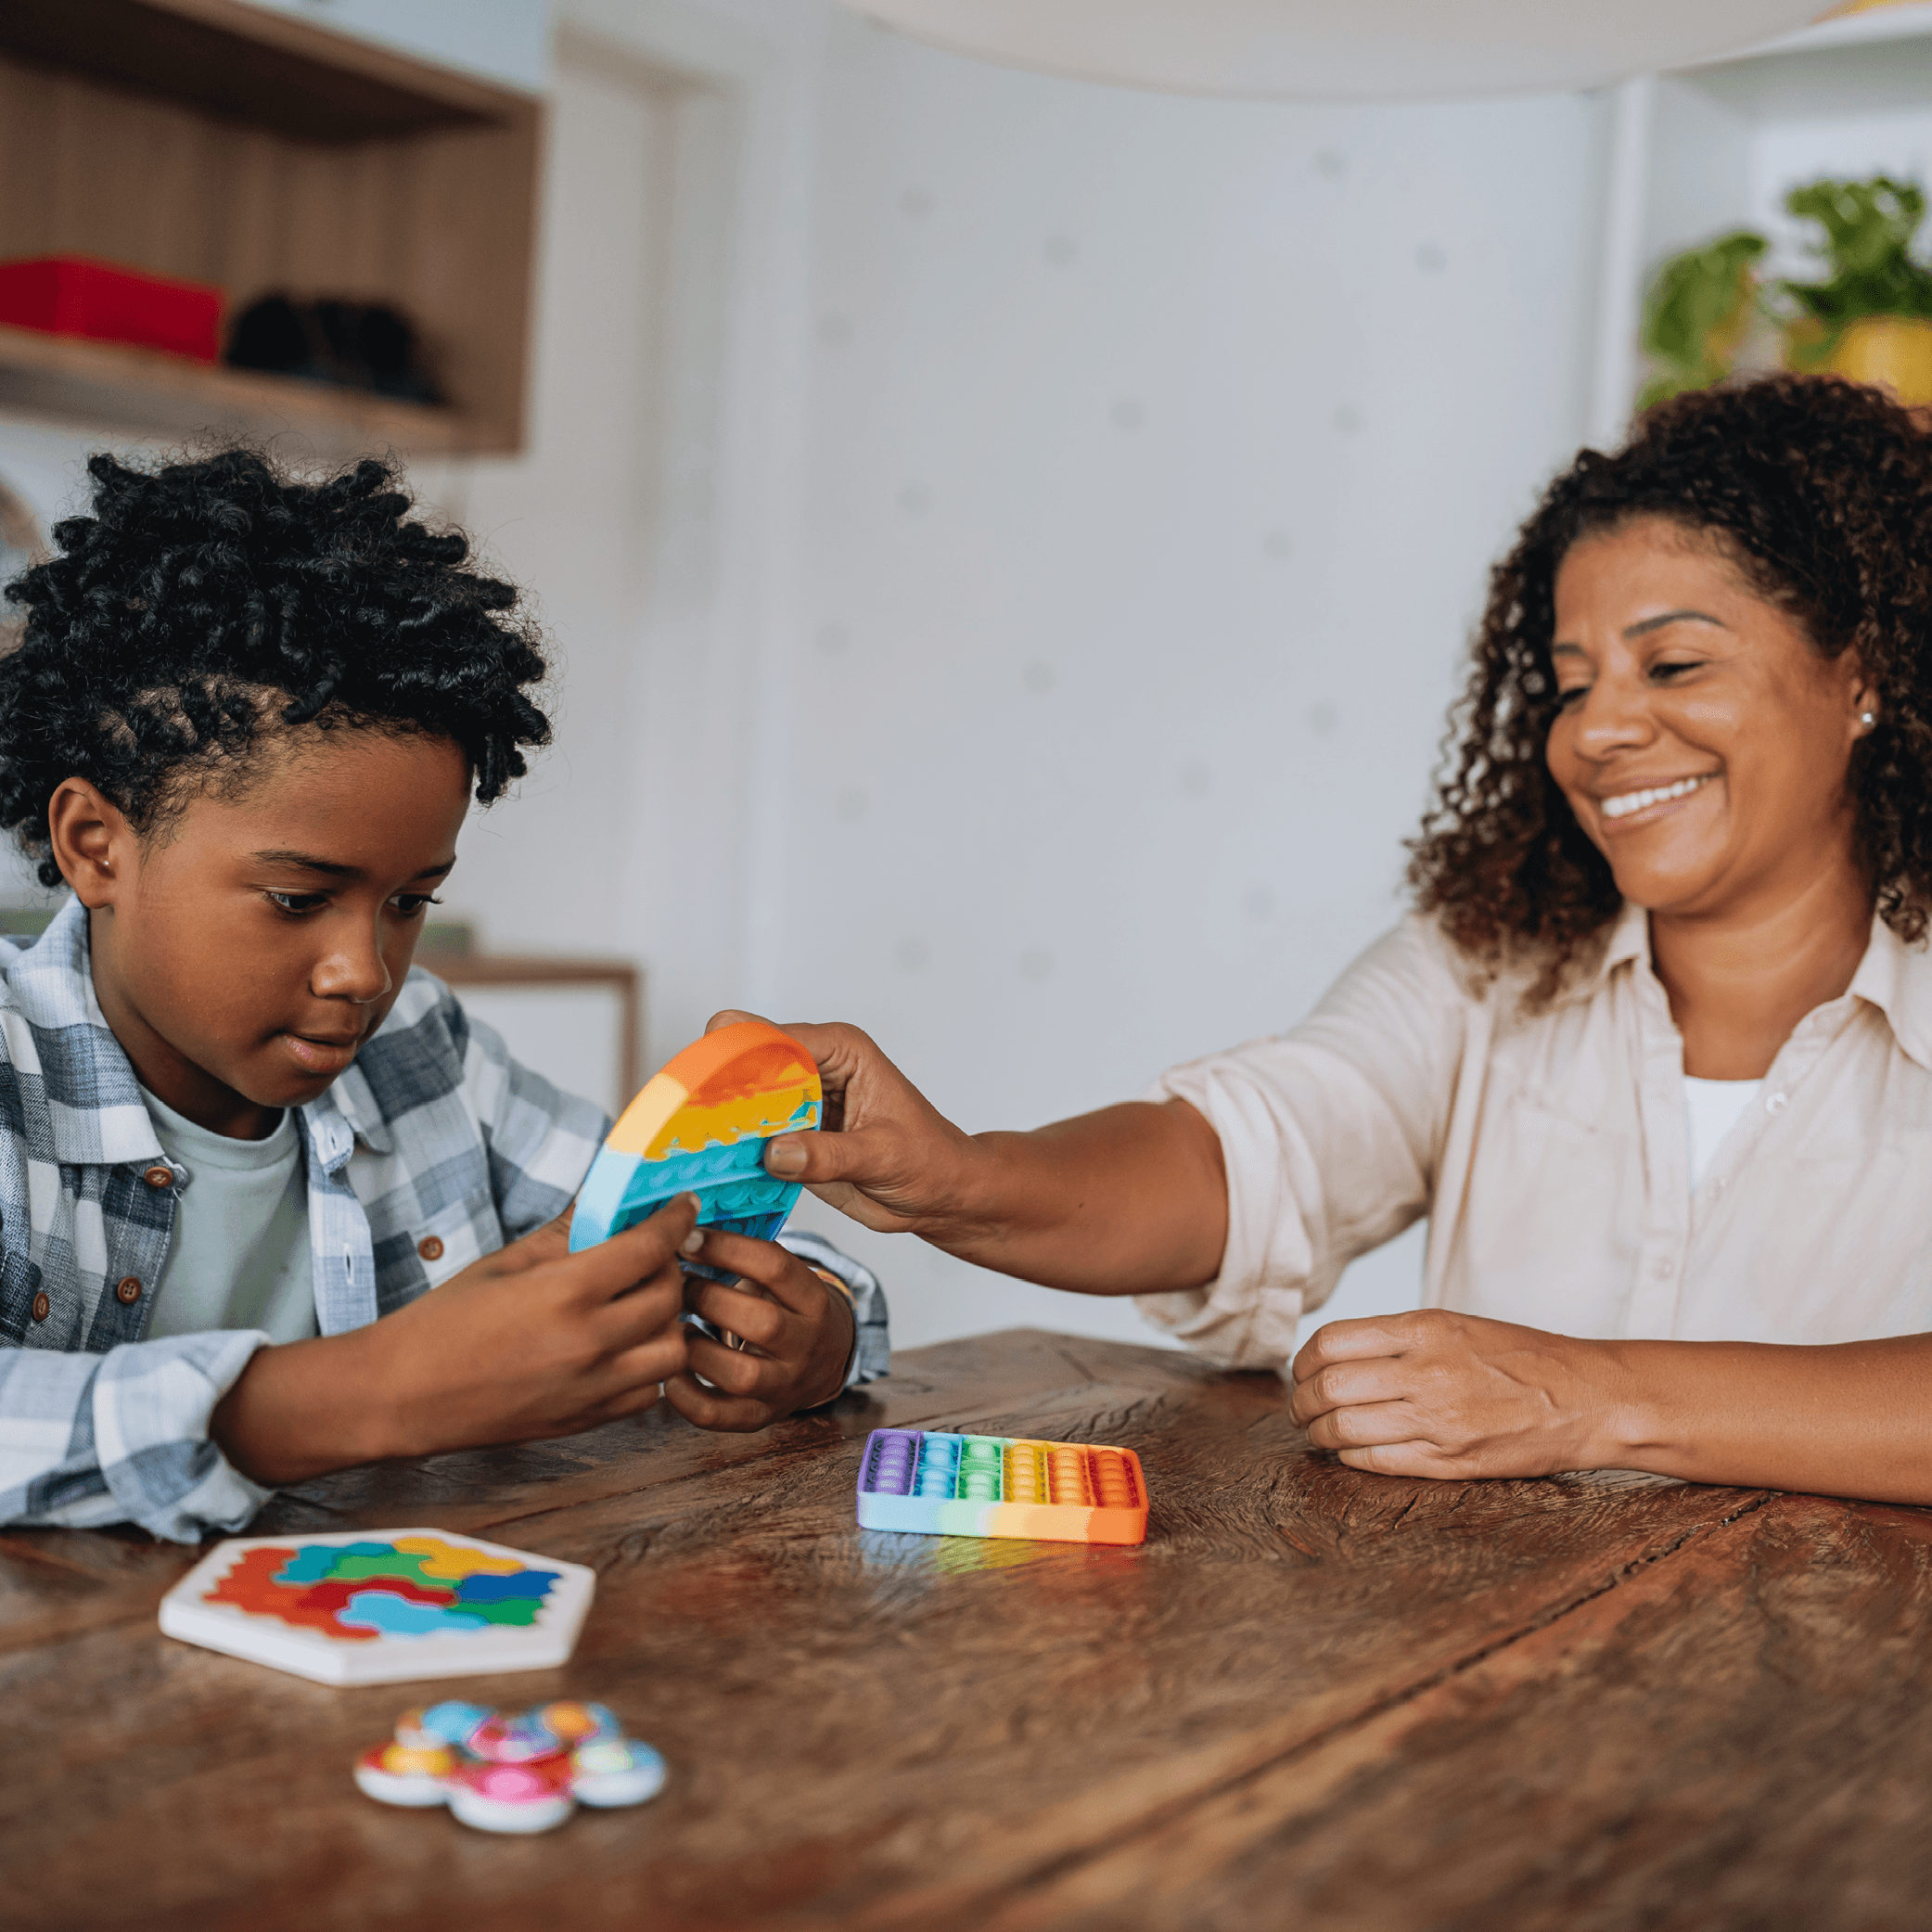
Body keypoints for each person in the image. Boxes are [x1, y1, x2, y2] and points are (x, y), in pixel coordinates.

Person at [728, 375, 1932, 1505]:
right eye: (1568, 684)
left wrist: (1591, 1398)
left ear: (1861, 674)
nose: (1597, 728)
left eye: (1669, 662)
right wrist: (960, 1174)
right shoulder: (1488, 959)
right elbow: (1245, 1158)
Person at [0, 448, 886, 1543]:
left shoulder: (423, 1054)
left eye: (410, 901)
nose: (364, 972)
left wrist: (816, 1332)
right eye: (294, 899)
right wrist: (362, 1394)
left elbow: (708, 1240)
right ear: (95, 845)